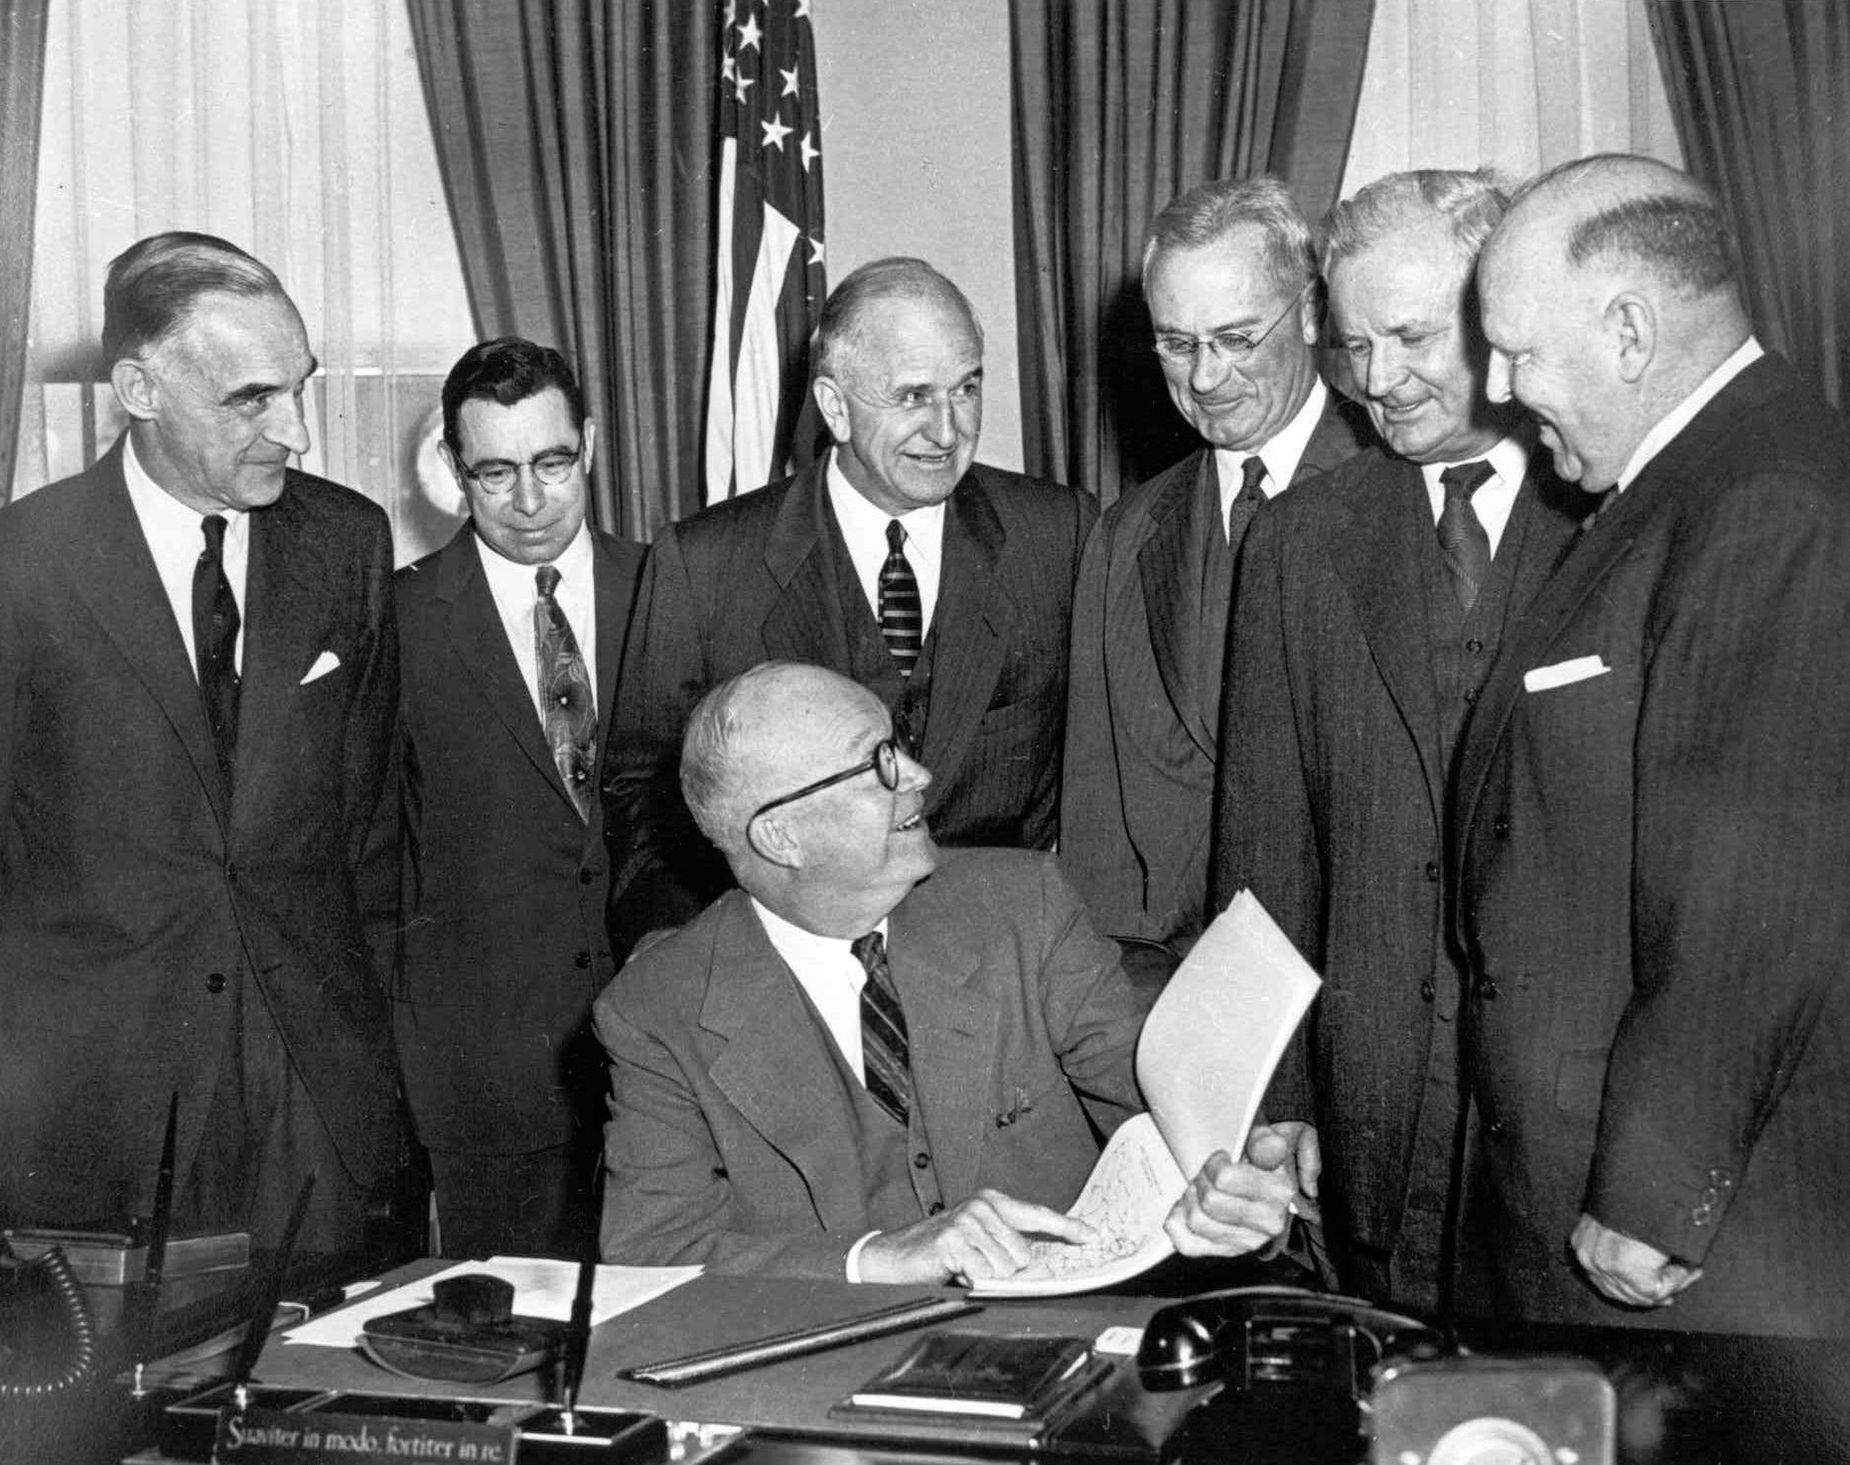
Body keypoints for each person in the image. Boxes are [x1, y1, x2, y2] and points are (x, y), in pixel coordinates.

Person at [1452, 153, 1850, 1336]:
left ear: (1628, 329)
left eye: (1518, 350)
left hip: (1675, 1246)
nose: (1500, 385)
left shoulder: (1769, 499)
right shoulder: (1679, 479)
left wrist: (1654, 1191)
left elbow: (1754, 883)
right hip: (1573, 1188)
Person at [595, 661, 1311, 1281]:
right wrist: (882, 1255)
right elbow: (652, 1255)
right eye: (878, 764)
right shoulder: (657, 1008)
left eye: (896, 746)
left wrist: (1243, 1174)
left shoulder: (1022, 904)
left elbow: (1168, 1105)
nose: (920, 776)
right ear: (781, 836)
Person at [1209, 171, 1592, 1316]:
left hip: (1565, 1134)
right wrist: (1277, 1095)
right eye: (1354, 344)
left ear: (1499, 315)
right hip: (1370, 1122)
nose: (1377, 383)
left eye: (1413, 336)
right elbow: (1261, 853)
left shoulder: (1614, 519)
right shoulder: (1298, 542)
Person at [0, 232, 409, 1261]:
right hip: (100, 1109)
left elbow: (370, 833)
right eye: (251, 400)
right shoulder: (23, 563)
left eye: (301, 389)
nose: (300, 433)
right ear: (138, 387)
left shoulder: (346, 543)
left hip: (312, 1088)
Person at [601, 258, 1095, 959]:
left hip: (1003, 974)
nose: (948, 430)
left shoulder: (1059, 535)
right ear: (834, 406)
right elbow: (644, 797)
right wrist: (696, 966)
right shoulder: (705, 564)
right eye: (913, 396)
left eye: (967, 388)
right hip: (787, 985)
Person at [1061, 178, 1371, 973]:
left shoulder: (1396, 491)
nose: (1204, 378)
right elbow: (1101, 834)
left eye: (1236, 339)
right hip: (1185, 990)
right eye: (1177, 343)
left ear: (1308, 313)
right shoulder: (1127, 534)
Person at [391, 338, 644, 1257]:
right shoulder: (400, 620)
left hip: (665, 1068)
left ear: (590, 443)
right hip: (486, 1081)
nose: (530, 502)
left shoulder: (668, 587)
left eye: (552, 463)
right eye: (495, 473)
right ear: (454, 471)